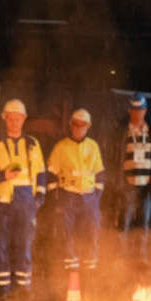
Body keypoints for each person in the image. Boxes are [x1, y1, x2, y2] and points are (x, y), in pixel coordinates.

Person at [0, 98, 44, 298]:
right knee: (1, 243)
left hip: (26, 200)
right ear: (5, 119)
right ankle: (3, 287)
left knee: (24, 242)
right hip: (2, 202)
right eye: (10, 119)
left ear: (24, 119)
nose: (14, 122)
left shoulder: (32, 144)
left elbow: (41, 171)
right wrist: (2, 176)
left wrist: (39, 197)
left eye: (18, 118)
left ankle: (23, 286)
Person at [46, 109, 106, 284]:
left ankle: (90, 269)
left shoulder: (93, 146)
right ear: (71, 125)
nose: (79, 128)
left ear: (88, 127)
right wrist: (56, 197)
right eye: (76, 125)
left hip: (89, 197)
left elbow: (100, 173)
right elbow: (51, 174)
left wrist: (96, 196)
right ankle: (70, 269)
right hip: (68, 196)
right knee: (67, 232)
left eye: (83, 125)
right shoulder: (61, 147)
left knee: (91, 231)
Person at [115, 94, 151, 264]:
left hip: (147, 185)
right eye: (135, 111)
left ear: (145, 110)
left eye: (141, 110)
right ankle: (120, 258)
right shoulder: (122, 131)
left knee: (144, 224)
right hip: (127, 185)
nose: (138, 114)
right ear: (130, 111)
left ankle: (141, 258)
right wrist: (117, 183)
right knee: (124, 223)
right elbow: (115, 157)